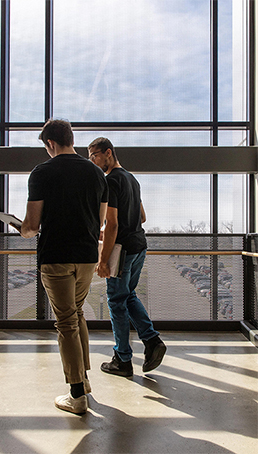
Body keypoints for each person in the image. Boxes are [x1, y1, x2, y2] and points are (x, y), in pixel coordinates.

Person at [19, 120, 108, 414]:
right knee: (77, 313)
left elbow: (32, 226)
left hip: (56, 256)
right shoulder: (97, 174)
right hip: (86, 258)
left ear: (50, 144)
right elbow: (100, 221)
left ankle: (77, 395)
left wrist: (22, 229)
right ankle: (84, 380)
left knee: (66, 322)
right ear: (71, 139)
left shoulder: (42, 172)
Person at [88, 137, 166, 377]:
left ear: (108, 153)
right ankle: (152, 341)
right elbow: (141, 217)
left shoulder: (110, 181)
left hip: (122, 252)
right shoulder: (132, 179)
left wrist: (102, 261)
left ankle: (122, 359)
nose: (92, 161)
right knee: (127, 295)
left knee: (116, 302)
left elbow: (111, 224)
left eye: (94, 156)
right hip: (139, 246)